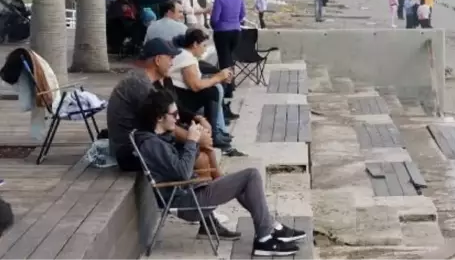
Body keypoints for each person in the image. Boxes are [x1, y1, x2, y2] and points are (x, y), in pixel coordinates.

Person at [134, 90, 306, 255]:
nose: (178, 118)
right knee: (251, 175)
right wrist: (192, 140)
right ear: (159, 117)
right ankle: (265, 237)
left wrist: (196, 142)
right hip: (187, 202)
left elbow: (183, 166)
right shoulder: (152, 145)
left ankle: (269, 228)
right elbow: (183, 173)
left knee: (245, 182)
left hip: (191, 192)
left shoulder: (158, 139)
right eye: (174, 114)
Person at [107, 38, 220, 174]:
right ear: (158, 60)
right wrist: (194, 138)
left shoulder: (147, 80)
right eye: (170, 58)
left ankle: (216, 183)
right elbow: (163, 122)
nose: (172, 63)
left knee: (201, 147)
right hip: (131, 151)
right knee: (200, 158)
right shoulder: (140, 86)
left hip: (146, 142)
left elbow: (168, 118)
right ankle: (202, 192)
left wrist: (196, 131)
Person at [170, 29, 245, 156]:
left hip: (178, 93)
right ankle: (214, 133)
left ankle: (217, 131)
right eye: (203, 45)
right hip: (177, 98)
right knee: (212, 91)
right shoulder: (187, 58)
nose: (205, 49)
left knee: (213, 88)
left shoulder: (186, 55)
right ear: (195, 44)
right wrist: (218, 78)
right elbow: (195, 86)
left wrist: (218, 75)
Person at [211, 0, 245, 111]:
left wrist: (216, 26)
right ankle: (230, 89)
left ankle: (227, 94)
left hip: (222, 32)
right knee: (230, 61)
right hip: (236, 32)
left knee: (224, 63)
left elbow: (214, 19)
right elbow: (243, 15)